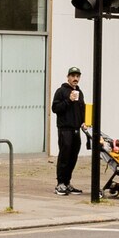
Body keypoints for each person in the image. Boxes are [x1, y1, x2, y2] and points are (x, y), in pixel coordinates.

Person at [52, 67, 87, 195]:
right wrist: (69, 100)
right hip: (65, 129)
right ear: (68, 77)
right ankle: (60, 183)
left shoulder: (80, 92)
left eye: (77, 76)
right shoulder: (61, 91)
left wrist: (84, 121)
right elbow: (55, 108)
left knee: (73, 156)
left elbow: (82, 109)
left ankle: (67, 182)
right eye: (73, 76)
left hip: (76, 129)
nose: (75, 78)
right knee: (64, 156)